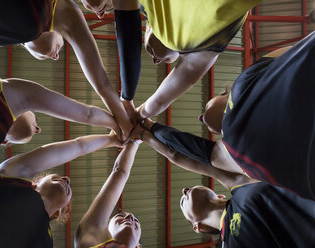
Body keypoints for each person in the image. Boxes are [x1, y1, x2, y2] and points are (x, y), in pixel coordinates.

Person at [137, 31, 315, 200]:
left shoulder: (247, 80)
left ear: (226, 94)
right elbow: (193, 151)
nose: (200, 118)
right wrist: (150, 129)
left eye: (206, 105)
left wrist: (148, 124)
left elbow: (295, 49)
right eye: (211, 130)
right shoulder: (235, 154)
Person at [0, 0, 133, 140]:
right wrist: (125, 122)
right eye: (111, 4)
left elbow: (100, 87)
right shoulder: (60, 9)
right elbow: (101, 82)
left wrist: (122, 123)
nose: (101, 14)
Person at [130, 125, 315, 248]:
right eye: (181, 202)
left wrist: (146, 133)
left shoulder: (239, 185)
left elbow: (177, 155)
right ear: (198, 227)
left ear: (219, 195)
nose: (184, 190)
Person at [81, 0, 261, 121]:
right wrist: (139, 112)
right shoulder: (197, 44)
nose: (99, 15)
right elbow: (163, 97)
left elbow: (128, 31)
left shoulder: (163, 24)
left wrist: (128, 100)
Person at [0, 131, 121, 248]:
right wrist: (113, 138)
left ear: (58, 213)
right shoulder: (11, 176)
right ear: (36, 182)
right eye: (57, 176)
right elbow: (79, 146)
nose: (67, 179)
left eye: (67, 184)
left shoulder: (45, 242)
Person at [0, 65, 121, 181]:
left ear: (5, 140)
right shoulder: (8, 95)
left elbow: (80, 142)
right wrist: (118, 125)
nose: (39, 129)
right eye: (37, 119)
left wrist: (114, 137)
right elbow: (87, 114)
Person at [75, 140, 142, 248]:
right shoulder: (89, 240)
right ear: (104, 230)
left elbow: (120, 172)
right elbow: (119, 172)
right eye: (120, 216)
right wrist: (135, 141)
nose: (130, 216)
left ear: (139, 246)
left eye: (136, 223)